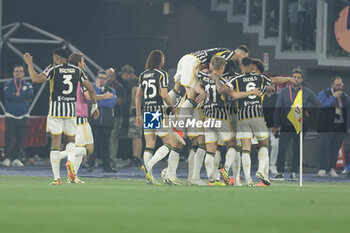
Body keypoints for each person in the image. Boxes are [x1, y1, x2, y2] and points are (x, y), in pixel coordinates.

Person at [23, 49, 98, 185]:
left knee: (55, 145)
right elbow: (91, 89)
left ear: (57, 58)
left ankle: (57, 178)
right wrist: (95, 105)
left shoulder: (53, 69)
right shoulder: (78, 71)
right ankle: (70, 161)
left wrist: (29, 64)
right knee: (70, 142)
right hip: (71, 113)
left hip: (55, 112)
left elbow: (35, 79)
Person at [197, 56, 261, 186]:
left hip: (207, 116)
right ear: (222, 68)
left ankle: (212, 180)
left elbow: (196, 78)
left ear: (211, 66)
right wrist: (251, 92)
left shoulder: (204, 77)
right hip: (220, 117)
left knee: (211, 149)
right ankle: (225, 169)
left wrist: (201, 90)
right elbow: (235, 95)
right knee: (233, 145)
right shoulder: (223, 81)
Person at [172, 46, 250, 144]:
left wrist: (203, 71)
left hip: (186, 59)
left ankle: (165, 114)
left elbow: (210, 61)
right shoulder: (229, 54)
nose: (244, 60)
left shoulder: (222, 53)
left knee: (177, 89)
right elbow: (214, 61)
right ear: (239, 54)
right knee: (191, 96)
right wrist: (208, 72)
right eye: (245, 57)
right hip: (192, 62)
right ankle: (178, 128)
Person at [55, 53, 113, 183]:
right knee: (88, 148)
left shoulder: (64, 75)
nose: (84, 64)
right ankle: (61, 155)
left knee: (81, 147)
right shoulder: (79, 75)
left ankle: (73, 177)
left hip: (69, 116)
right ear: (78, 63)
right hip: (80, 119)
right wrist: (103, 97)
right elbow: (87, 96)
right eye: (83, 61)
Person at [136, 50, 179, 185]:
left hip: (147, 111)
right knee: (172, 143)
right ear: (159, 60)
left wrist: (138, 114)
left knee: (150, 144)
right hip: (158, 111)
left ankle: (149, 177)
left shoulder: (143, 75)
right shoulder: (162, 74)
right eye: (163, 59)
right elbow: (164, 95)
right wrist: (172, 107)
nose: (164, 61)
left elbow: (138, 96)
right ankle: (149, 165)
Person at [271, 69, 321, 181]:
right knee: (282, 149)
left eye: (299, 77)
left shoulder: (307, 92)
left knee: (297, 150)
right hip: (286, 125)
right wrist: (276, 125)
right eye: (294, 77)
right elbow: (278, 109)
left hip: (300, 125)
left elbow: (318, 104)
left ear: (302, 79)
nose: (296, 79)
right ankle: (280, 172)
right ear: (291, 78)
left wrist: (309, 112)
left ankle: (294, 172)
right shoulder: (284, 92)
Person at [317, 76, 349, 177]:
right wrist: (333, 97)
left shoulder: (344, 97)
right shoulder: (324, 94)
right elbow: (322, 106)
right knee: (325, 147)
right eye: (337, 85)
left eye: (341, 85)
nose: (339, 87)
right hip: (327, 126)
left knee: (335, 149)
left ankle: (332, 168)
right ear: (332, 85)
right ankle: (322, 168)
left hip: (339, 127)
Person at [2, 65, 34, 167]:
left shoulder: (27, 84)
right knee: (9, 138)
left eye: (20, 71)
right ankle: (7, 158)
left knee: (20, 138)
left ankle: (17, 158)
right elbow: (7, 95)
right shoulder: (8, 83)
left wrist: (16, 95)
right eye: (16, 71)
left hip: (23, 114)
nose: (18, 73)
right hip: (10, 114)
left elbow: (30, 94)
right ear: (13, 73)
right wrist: (21, 97)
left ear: (24, 73)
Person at [88, 70, 117, 172]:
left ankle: (107, 166)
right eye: (100, 77)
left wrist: (97, 100)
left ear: (107, 80)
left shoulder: (111, 90)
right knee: (93, 144)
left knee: (105, 145)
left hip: (106, 122)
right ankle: (90, 164)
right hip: (94, 122)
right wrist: (98, 93)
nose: (101, 80)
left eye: (104, 78)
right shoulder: (92, 89)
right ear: (96, 78)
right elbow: (90, 100)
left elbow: (111, 103)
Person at [119, 65, 143, 166]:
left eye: (123, 74)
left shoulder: (132, 80)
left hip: (136, 112)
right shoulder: (136, 80)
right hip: (140, 111)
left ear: (126, 74)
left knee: (136, 135)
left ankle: (136, 158)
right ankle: (136, 158)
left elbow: (135, 91)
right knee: (137, 136)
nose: (122, 77)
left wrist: (133, 105)